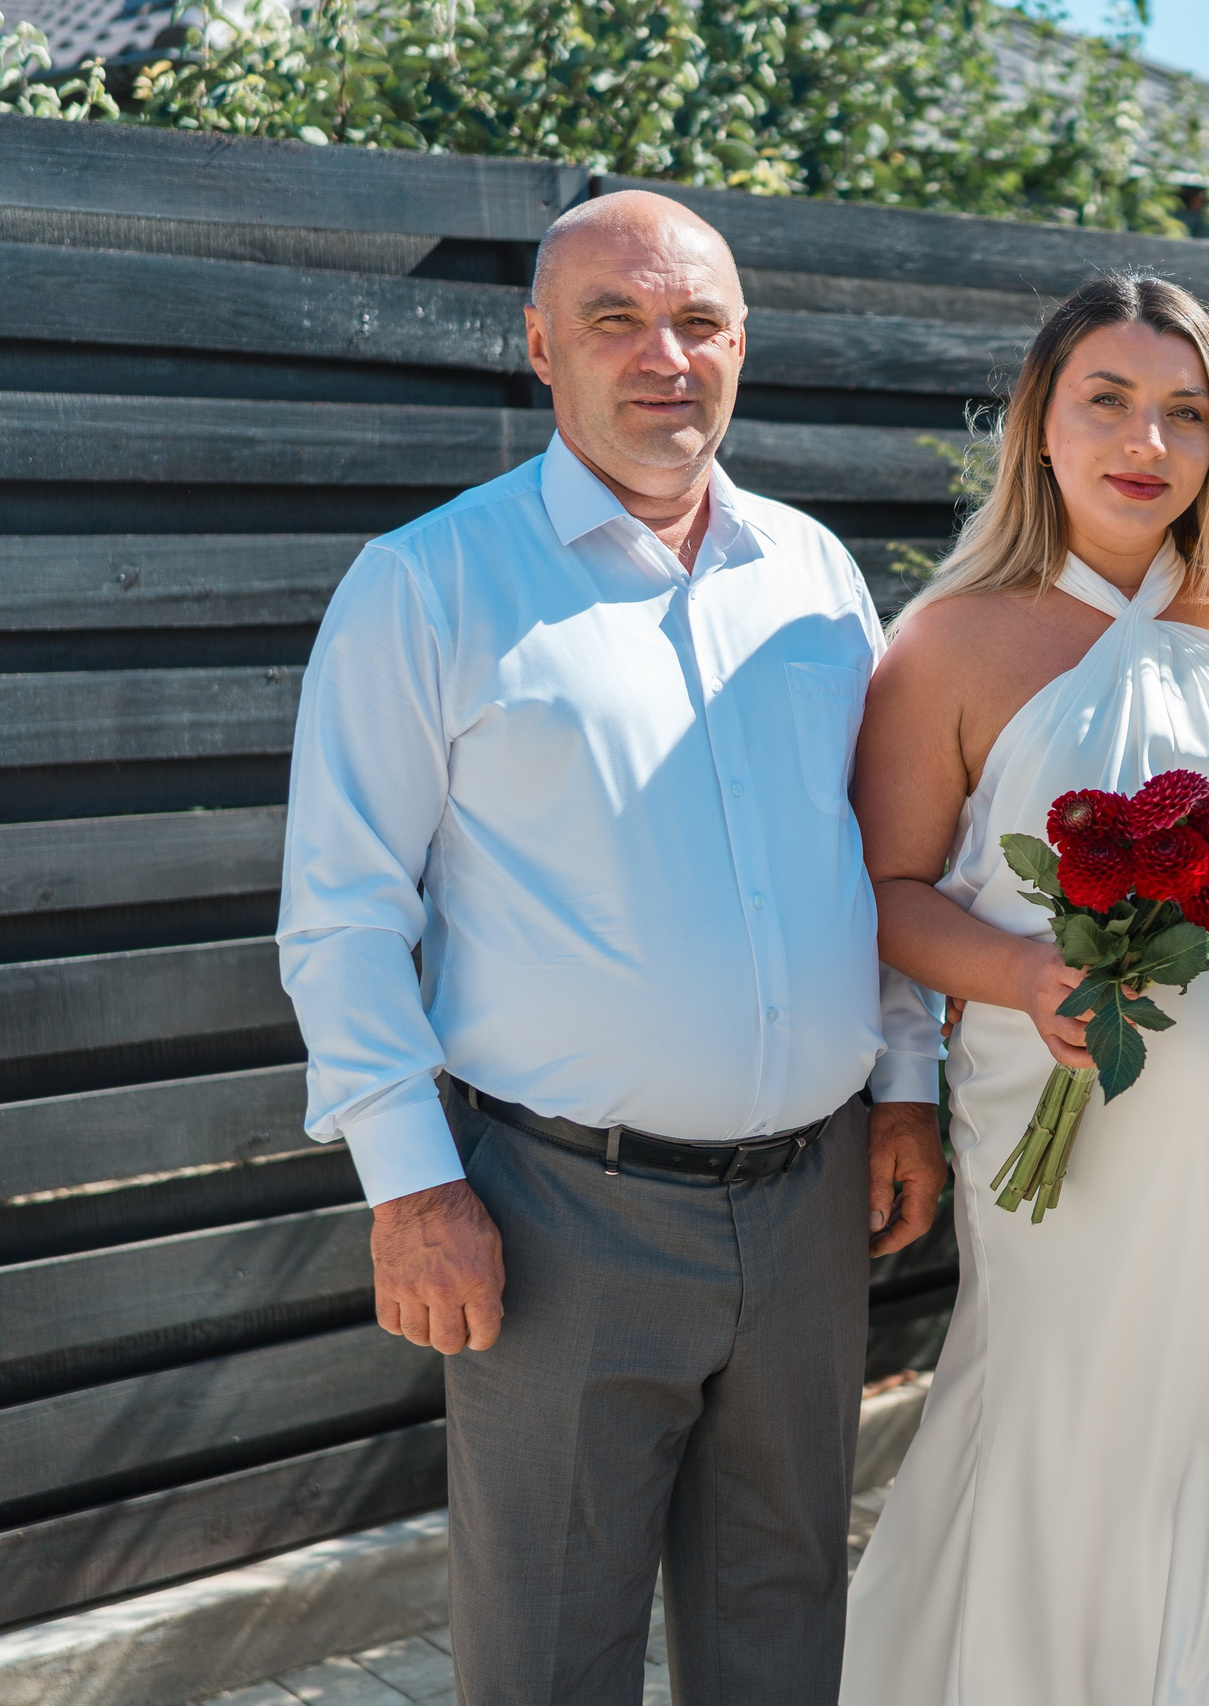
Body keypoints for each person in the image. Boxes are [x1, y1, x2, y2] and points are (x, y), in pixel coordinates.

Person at [276, 190, 948, 1706]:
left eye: (700, 322)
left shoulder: (817, 576)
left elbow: (875, 858)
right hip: (559, 1213)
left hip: (814, 1200)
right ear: (540, 347)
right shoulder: (431, 582)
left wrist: (907, 1088)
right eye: (615, 320)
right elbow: (342, 910)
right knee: (551, 1652)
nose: (666, 356)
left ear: (743, 346)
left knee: (783, 1622)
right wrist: (411, 1187)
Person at [837, 274, 1209, 1704]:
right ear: (1038, 426)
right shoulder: (949, 641)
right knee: (1067, 1413)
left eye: (1187, 412)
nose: (1147, 441)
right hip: (1059, 1132)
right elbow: (884, 891)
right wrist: (1017, 969)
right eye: (1108, 401)